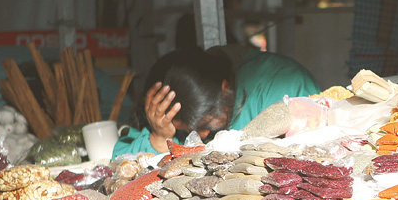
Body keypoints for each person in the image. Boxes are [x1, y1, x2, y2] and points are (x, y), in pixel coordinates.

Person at [112, 45, 318, 156]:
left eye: (205, 124)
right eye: (188, 130)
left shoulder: (283, 84)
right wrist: (159, 138)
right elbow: (119, 162)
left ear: (225, 89)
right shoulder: (162, 119)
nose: (201, 135)